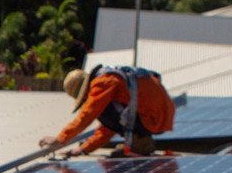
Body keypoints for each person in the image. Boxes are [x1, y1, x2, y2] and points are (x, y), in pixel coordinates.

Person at [39, 64, 175, 156]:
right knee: (106, 111)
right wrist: (83, 148)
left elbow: (88, 114)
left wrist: (60, 139)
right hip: (160, 115)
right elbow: (110, 127)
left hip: (154, 117)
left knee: (102, 111)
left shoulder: (102, 82)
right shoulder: (109, 78)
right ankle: (140, 141)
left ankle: (141, 143)